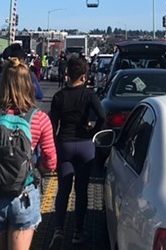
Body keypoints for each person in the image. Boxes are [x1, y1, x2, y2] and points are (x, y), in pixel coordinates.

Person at [0, 60, 57, 250]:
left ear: (3, 84)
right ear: (30, 84)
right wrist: (35, 171)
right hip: (24, 194)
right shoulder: (40, 118)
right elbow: (51, 161)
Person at [49, 56, 106, 248]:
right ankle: (78, 231)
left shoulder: (58, 96)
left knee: (63, 190)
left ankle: (58, 229)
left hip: (64, 144)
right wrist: (92, 131)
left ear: (67, 74)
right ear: (83, 76)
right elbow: (103, 116)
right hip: (84, 144)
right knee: (81, 191)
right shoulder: (89, 96)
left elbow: (52, 124)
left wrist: (54, 143)